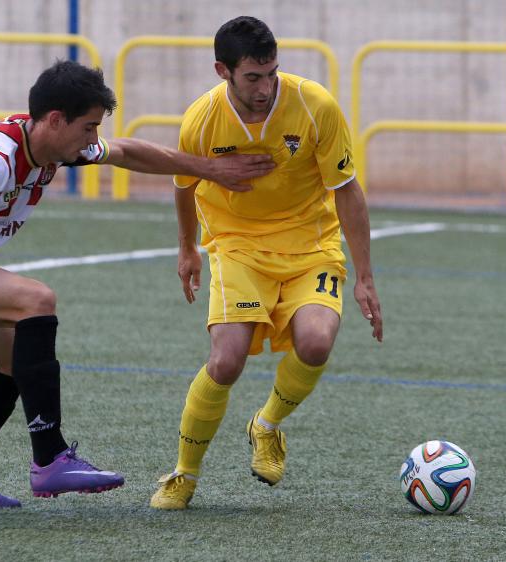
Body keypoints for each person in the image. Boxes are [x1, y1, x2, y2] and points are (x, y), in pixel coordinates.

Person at [0, 59, 274, 508]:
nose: (93, 141)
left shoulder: (50, 144)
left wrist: (210, 169)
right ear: (56, 120)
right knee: (35, 299)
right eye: (89, 128)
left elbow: (128, 153)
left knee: (18, 359)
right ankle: (50, 459)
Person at [149, 16, 383, 510]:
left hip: (311, 243)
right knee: (226, 360)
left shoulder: (314, 106)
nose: (265, 87)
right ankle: (184, 475)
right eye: (253, 77)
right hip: (238, 246)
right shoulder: (202, 119)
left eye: (271, 73)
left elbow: (348, 192)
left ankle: (267, 425)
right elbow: (183, 185)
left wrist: (365, 277)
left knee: (317, 342)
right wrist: (188, 248)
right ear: (223, 71)